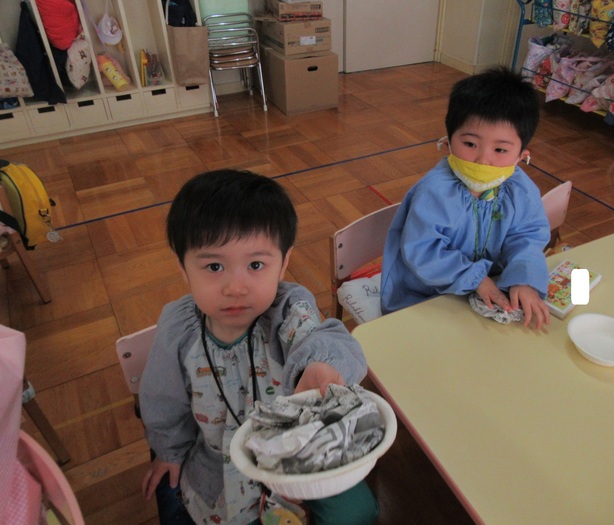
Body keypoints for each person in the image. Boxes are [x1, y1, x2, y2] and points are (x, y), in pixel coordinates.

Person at [139, 169, 379, 525]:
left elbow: (327, 339)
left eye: (255, 265)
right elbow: (163, 399)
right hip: (220, 461)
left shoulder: (288, 309)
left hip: (300, 447)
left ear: (283, 264)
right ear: (183, 267)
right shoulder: (179, 329)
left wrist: (321, 365)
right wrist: (169, 451)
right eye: (214, 266)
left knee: (357, 513)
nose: (236, 287)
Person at [380, 66, 551, 329]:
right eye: (470, 144)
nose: (483, 159)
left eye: (500, 150)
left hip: (486, 289)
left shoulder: (520, 189)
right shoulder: (435, 191)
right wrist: (476, 278)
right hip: (424, 295)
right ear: (448, 141)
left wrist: (523, 279)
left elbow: (527, 237)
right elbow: (423, 251)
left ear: (521, 156)